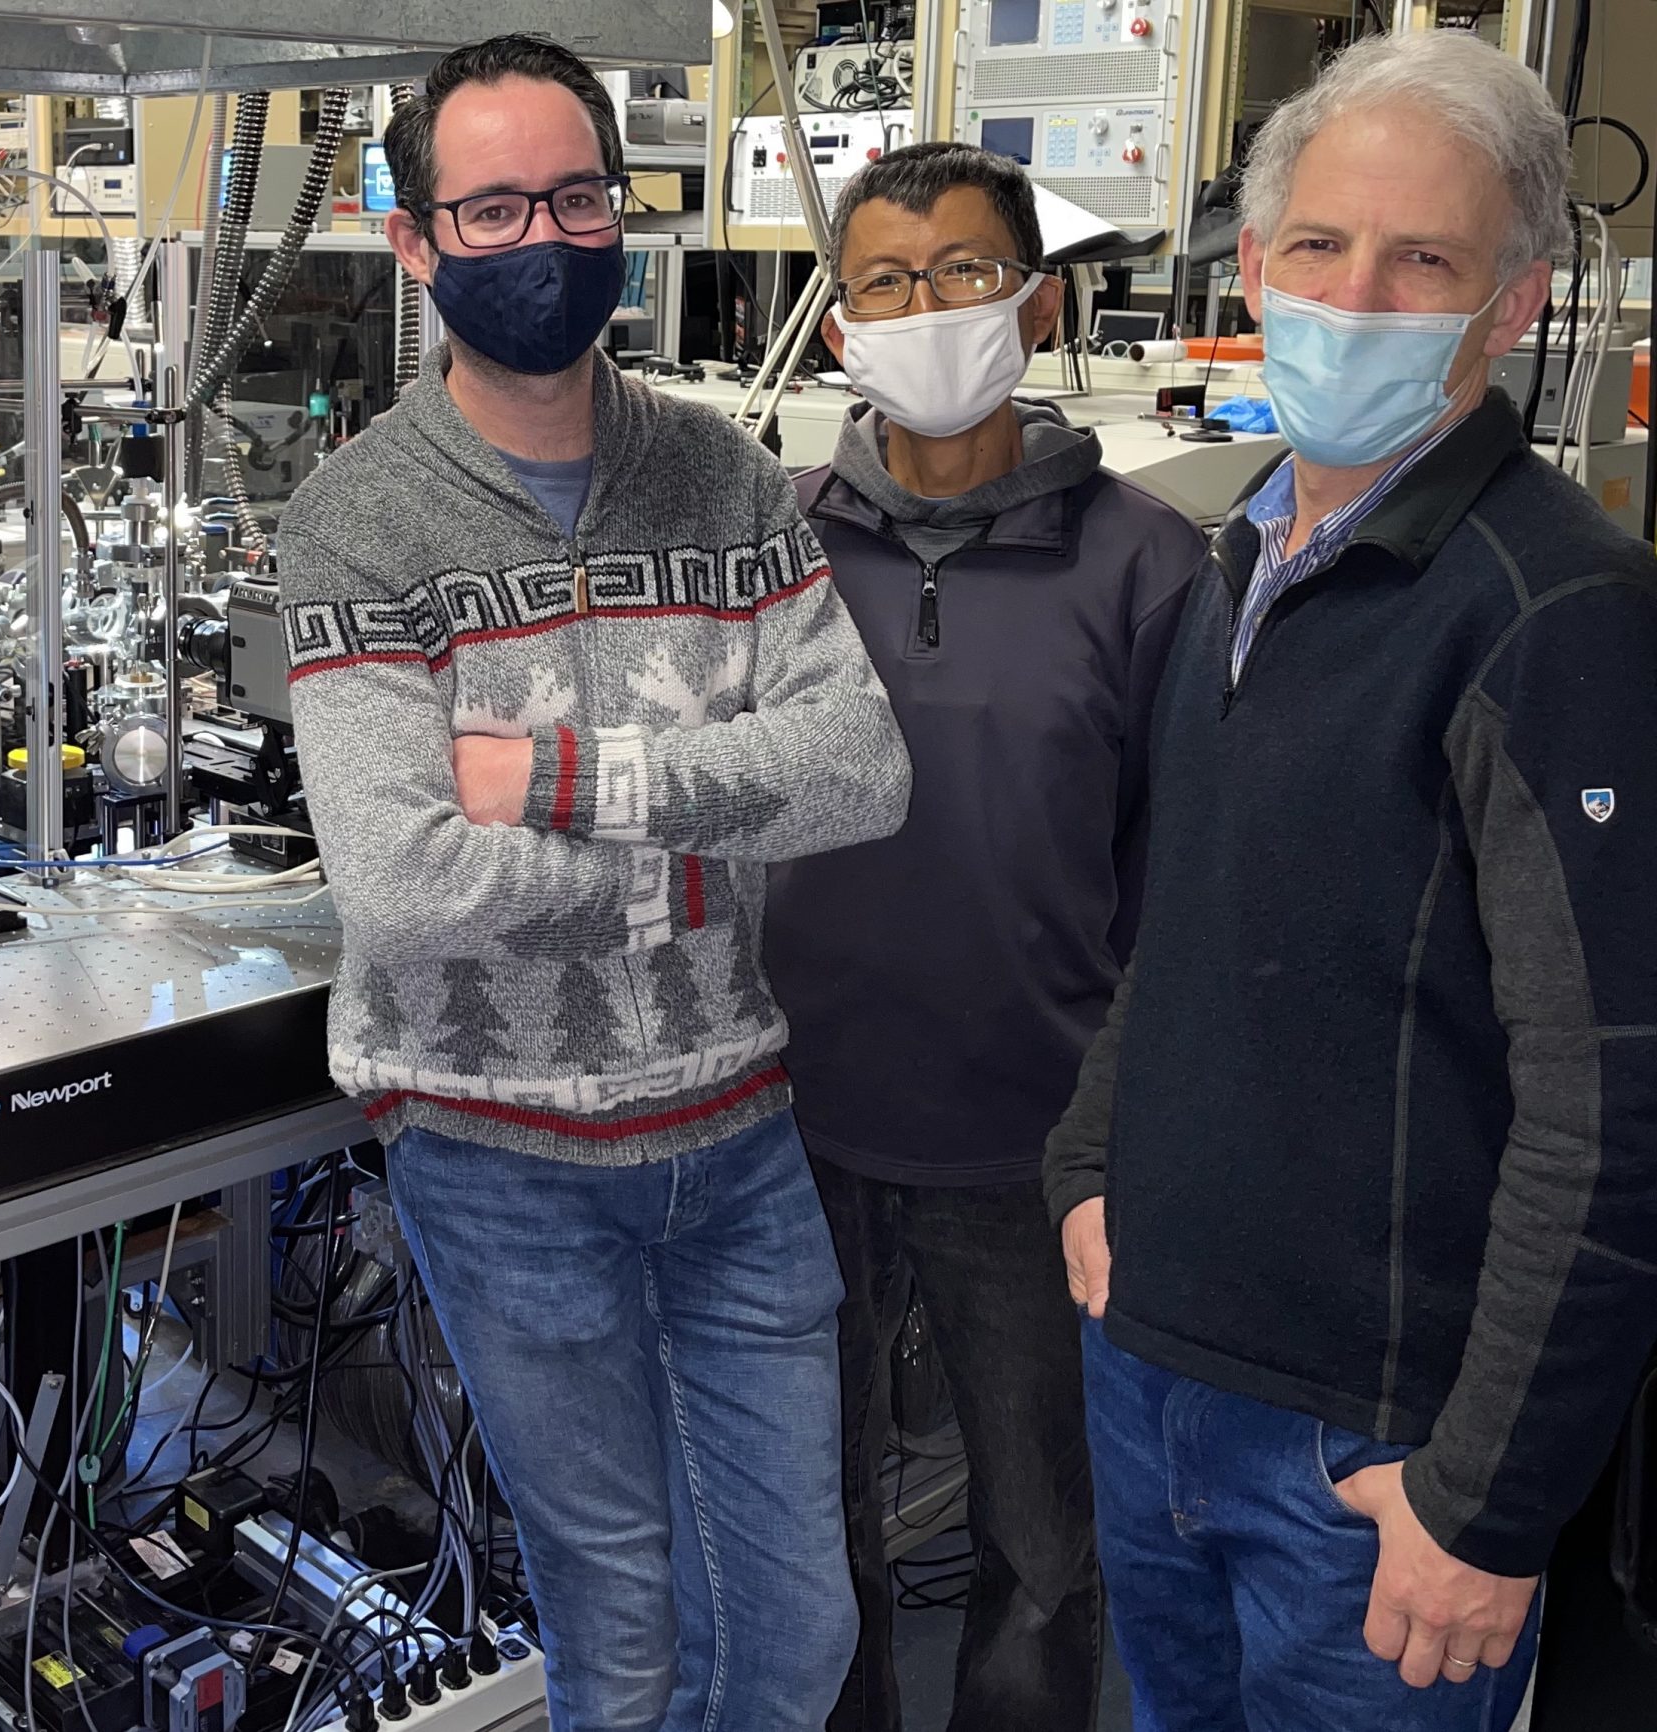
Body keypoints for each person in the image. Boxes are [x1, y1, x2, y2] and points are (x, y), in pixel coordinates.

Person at [277, 33, 913, 1731]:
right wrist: (713, 816)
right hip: (503, 1165)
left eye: (573, 197)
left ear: (622, 215)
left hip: (738, 1146)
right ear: (413, 244)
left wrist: (563, 781)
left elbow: (860, 774)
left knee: (797, 1640)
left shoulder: (721, 474)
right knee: (622, 1642)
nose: (539, 238)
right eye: (488, 209)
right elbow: (404, 888)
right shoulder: (357, 523)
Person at [1043, 30, 1657, 1730]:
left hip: (1373, 1457)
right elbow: (1188, 926)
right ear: (1254, 266)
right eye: (1320, 246)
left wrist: (1491, 1500)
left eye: (1424, 260)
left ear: (1513, 304)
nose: (1358, 291)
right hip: (1158, 1369)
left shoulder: (1554, 615)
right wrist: (1094, 1165)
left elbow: (1613, 1108)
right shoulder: (1246, 552)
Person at [765, 141, 1201, 1732]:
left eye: (961, 273)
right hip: (790, 1130)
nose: (922, 308)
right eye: (884, 282)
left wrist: (1122, 1140)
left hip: (1037, 1152)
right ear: (838, 332)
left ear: (1039, 302)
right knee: (811, 1539)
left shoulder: (1151, 573)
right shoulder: (776, 553)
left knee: (1044, 1550)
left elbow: (1179, 890)